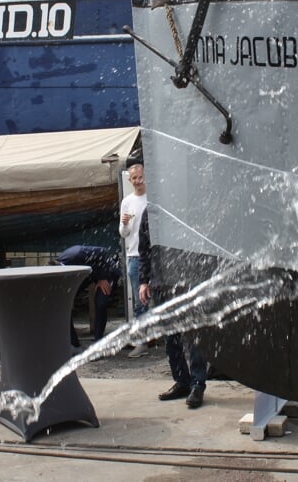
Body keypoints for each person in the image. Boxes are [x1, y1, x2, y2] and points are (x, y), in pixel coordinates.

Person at [138, 210, 209, 409]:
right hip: (162, 283)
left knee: (195, 334)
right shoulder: (149, 212)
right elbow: (144, 249)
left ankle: (197, 384)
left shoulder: (185, 203)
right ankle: (182, 381)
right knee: (170, 336)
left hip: (189, 281)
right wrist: (144, 281)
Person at [54, 245, 121, 349]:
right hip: (87, 276)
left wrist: (102, 277)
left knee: (101, 303)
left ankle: (98, 343)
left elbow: (103, 252)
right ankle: (74, 345)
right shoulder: (59, 275)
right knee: (63, 308)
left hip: (105, 268)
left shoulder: (75, 255)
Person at [119, 161, 149, 357]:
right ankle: (143, 340)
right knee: (140, 301)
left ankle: (150, 338)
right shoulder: (127, 202)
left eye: (140, 177)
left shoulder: (152, 198)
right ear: (129, 181)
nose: (138, 181)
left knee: (153, 297)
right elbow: (123, 233)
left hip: (151, 254)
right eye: (134, 179)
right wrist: (125, 224)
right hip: (134, 255)